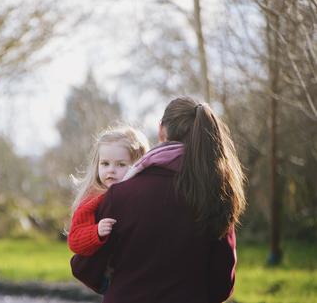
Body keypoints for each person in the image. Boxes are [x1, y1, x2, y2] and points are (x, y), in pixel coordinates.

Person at [70, 97, 247, 303]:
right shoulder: (218, 193)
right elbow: (222, 282)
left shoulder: (120, 194)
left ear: (161, 131)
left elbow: (85, 267)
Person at [67, 125, 149, 257]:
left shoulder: (142, 194)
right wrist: (96, 231)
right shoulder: (93, 198)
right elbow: (74, 240)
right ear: (97, 164)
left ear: (136, 166)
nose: (111, 170)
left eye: (121, 164)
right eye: (105, 164)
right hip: (106, 272)